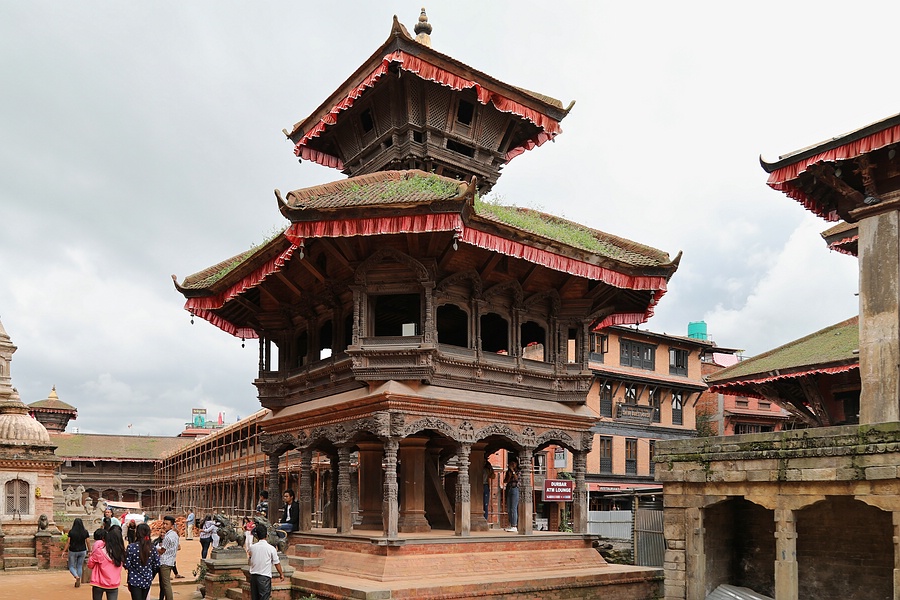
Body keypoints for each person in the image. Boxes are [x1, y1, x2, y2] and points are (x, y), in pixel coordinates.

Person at [247, 523, 284, 600]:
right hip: (264, 577)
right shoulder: (271, 549)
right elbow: (277, 563)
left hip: (253, 577)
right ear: (267, 535)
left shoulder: (252, 547)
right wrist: (281, 574)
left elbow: (250, 562)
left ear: (257, 536)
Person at [88, 524, 126, 599]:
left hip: (99, 582)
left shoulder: (99, 551)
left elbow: (90, 565)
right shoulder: (121, 553)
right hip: (113, 583)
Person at [124, 522, 159, 600]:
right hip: (147, 579)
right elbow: (157, 564)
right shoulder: (152, 548)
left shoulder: (131, 547)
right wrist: (150, 573)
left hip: (134, 579)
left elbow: (126, 564)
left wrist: (132, 570)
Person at [64, 517, 92, 588]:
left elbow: (68, 542)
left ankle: (76, 576)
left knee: (71, 566)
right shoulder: (85, 532)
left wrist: (64, 550)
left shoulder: (71, 532)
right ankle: (78, 577)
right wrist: (90, 550)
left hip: (73, 550)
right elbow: (88, 542)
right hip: (82, 550)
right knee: (79, 566)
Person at [156, 515, 179, 600]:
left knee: (166, 584)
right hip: (171, 561)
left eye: (167, 524)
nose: (165, 526)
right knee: (165, 583)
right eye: (164, 524)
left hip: (165, 562)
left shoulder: (167, 537)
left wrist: (154, 548)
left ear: (172, 525)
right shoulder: (175, 535)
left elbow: (162, 551)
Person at [503, 458, 520, 532]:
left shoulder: (519, 471)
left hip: (515, 488)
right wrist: (509, 474)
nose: (512, 465)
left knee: (513, 508)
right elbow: (505, 480)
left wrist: (513, 471)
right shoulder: (508, 472)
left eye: (513, 463)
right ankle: (510, 523)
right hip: (509, 489)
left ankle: (514, 525)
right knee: (509, 508)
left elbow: (517, 479)